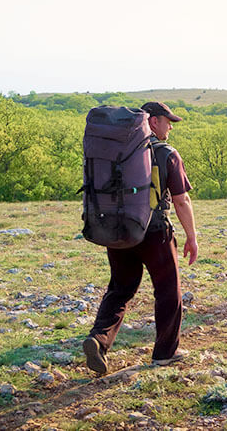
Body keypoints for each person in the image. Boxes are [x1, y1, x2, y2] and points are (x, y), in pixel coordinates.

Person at [83, 101, 199, 374]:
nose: (170, 126)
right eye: (167, 120)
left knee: (120, 289)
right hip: (155, 232)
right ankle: (164, 353)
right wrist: (191, 237)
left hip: (117, 230)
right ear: (153, 121)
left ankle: (99, 339)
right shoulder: (167, 153)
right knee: (168, 291)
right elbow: (182, 201)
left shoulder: (117, 152)